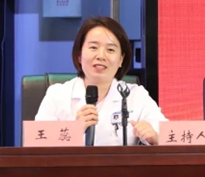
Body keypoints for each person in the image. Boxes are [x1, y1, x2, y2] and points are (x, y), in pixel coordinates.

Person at [35, 16, 167, 146]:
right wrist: (73, 130)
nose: (101, 56)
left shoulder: (135, 95)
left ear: (121, 59)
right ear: (79, 55)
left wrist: (156, 137)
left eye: (110, 50)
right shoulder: (57, 95)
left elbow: (174, 137)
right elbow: (36, 142)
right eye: (93, 47)